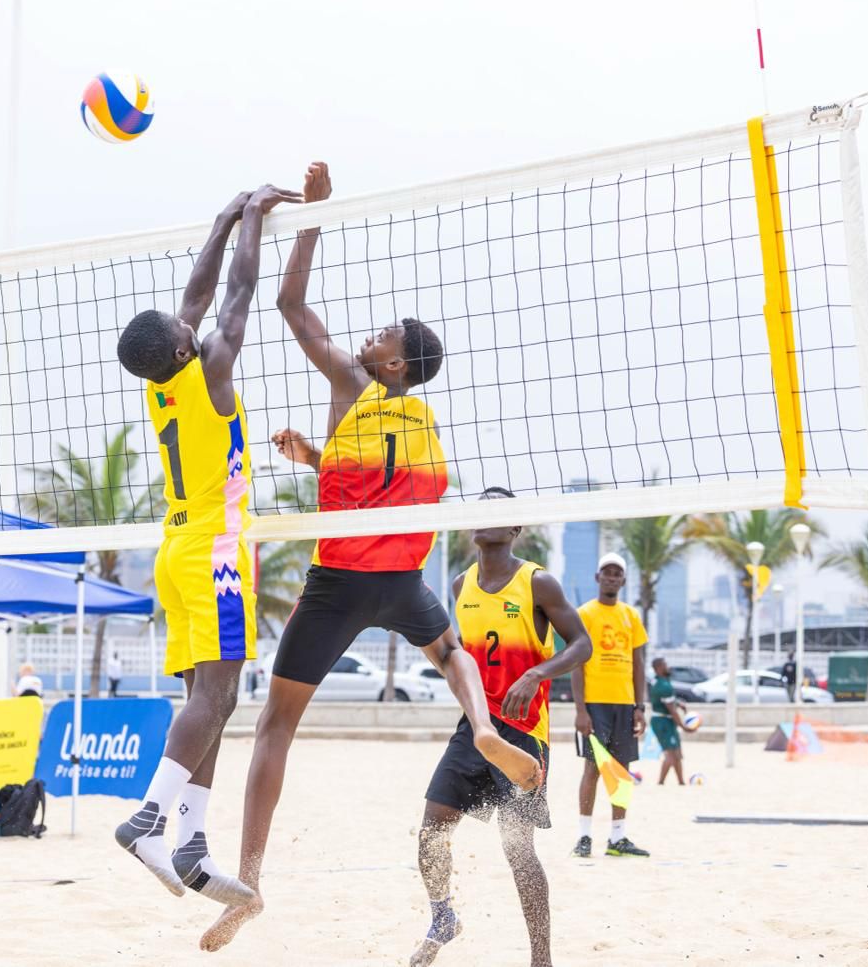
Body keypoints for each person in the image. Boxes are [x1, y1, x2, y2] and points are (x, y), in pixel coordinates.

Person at [202, 164, 541, 952]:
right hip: (401, 580)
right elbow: (376, 484)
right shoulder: (416, 417)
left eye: (385, 333)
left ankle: (249, 881)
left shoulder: (353, 379)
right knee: (451, 649)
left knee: (274, 729)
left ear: (392, 364)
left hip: (339, 584)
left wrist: (318, 214)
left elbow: (290, 304)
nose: (372, 333)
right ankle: (484, 724)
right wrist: (315, 454)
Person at [114, 184, 302, 907]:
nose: (188, 321)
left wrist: (222, 218)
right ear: (185, 344)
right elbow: (238, 292)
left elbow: (193, 301)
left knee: (207, 699)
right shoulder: (213, 369)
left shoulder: (164, 380)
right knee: (219, 694)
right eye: (183, 325)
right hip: (218, 550)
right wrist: (251, 219)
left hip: (178, 546)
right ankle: (149, 819)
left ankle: (191, 843)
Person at [410, 489, 592, 967]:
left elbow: (582, 643)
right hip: (475, 728)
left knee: (517, 848)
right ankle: (443, 915)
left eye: (499, 511)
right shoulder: (459, 585)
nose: (485, 518)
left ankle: (541, 958)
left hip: (523, 734)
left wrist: (536, 674)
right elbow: (457, 660)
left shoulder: (539, 583)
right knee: (431, 831)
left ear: (515, 530)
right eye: (480, 509)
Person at [569, 553, 650, 859]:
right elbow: (576, 663)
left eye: (617, 574)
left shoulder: (631, 615)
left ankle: (617, 838)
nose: (612, 577)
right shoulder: (584, 614)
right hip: (595, 704)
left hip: (624, 705)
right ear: (597, 577)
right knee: (592, 768)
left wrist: (639, 706)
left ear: (623, 581)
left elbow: (638, 663)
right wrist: (580, 709)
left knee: (621, 771)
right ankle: (585, 836)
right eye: (607, 573)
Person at [648, 658, 687, 786]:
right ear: (658, 668)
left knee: (677, 753)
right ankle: (660, 782)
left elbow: (668, 702)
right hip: (662, 722)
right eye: (665, 665)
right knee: (670, 753)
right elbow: (672, 711)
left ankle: (681, 782)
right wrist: (684, 726)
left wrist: (678, 703)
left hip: (666, 721)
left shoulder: (661, 682)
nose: (668, 667)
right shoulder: (663, 686)